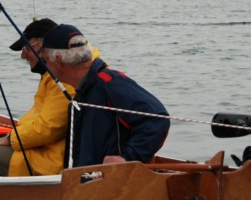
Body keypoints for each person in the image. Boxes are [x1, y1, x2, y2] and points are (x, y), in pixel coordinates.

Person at [39, 23, 169, 168]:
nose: (45, 67)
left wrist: (126, 158)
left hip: (109, 183)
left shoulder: (109, 83)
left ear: (57, 60)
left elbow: (158, 120)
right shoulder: (84, 89)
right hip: (84, 183)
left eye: (45, 61)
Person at [0, 18, 72, 177]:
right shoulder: (51, 76)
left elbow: (48, 128)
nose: (23, 56)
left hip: (52, 158)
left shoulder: (63, 79)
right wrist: (10, 137)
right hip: (44, 148)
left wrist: (10, 139)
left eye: (26, 48)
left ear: (44, 47)